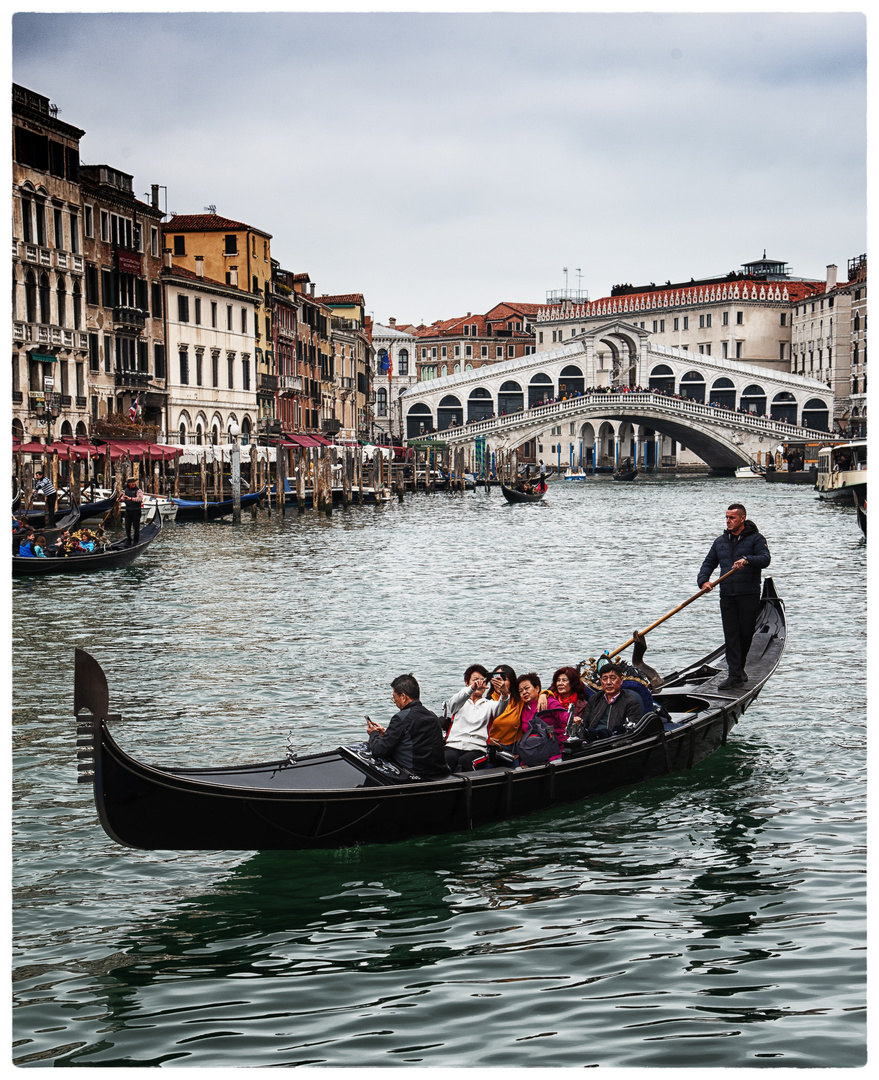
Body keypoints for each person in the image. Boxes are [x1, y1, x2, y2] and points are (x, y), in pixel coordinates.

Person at [698, 502, 771, 689]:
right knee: (731, 635)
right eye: (727, 517)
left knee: (746, 633)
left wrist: (747, 560)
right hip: (727, 594)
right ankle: (735, 674)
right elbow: (708, 563)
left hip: (748, 593)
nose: (728, 521)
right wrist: (703, 581)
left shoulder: (756, 539)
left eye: (732, 518)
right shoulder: (720, 542)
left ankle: (739, 670)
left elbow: (765, 559)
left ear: (742, 519)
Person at [366, 673, 448, 779]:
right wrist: (386, 734)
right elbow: (416, 741)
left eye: (394, 697)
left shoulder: (401, 718)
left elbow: (380, 750)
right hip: (438, 772)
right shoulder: (432, 716)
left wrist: (373, 733)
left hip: (415, 773)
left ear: (404, 697)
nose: (394, 701)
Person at [444, 664, 509, 772]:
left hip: (476, 748)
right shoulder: (460, 702)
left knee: (465, 762)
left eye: (482, 680)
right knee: (446, 760)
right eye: (475, 680)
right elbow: (453, 703)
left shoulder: (490, 705)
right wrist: (471, 689)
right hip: (453, 746)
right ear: (467, 682)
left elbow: (501, 706)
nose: (479, 683)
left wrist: (504, 693)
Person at [578, 660, 643, 739]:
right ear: (601, 681)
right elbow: (584, 723)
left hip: (613, 741)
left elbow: (631, 730)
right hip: (592, 739)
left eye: (612, 678)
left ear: (621, 680)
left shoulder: (630, 702)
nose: (608, 682)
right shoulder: (594, 699)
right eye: (605, 679)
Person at [518, 673, 568, 749]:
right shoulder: (522, 709)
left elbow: (562, 714)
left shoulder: (547, 701)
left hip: (556, 747)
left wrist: (572, 718)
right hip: (534, 750)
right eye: (520, 691)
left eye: (527, 688)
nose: (524, 692)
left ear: (537, 688)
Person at [485, 665, 523, 755]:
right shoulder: (486, 702)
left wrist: (544, 694)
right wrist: (486, 739)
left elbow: (535, 694)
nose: (500, 683)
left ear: (511, 682)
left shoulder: (519, 700)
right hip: (492, 748)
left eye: (504, 679)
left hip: (514, 748)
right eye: (496, 679)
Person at [121, 476, 144, 544]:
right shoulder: (126, 490)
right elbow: (123, 498)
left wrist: (130, 498)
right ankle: (129, 539)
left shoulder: (138, 490)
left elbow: (140, 499)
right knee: (127, 526)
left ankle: (136, 540)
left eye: (134, 482)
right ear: (128, 483)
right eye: (131, 482)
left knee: (136, 526)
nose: (133, 483)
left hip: (136, 510)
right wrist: (120, 500)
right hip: (128, 510)